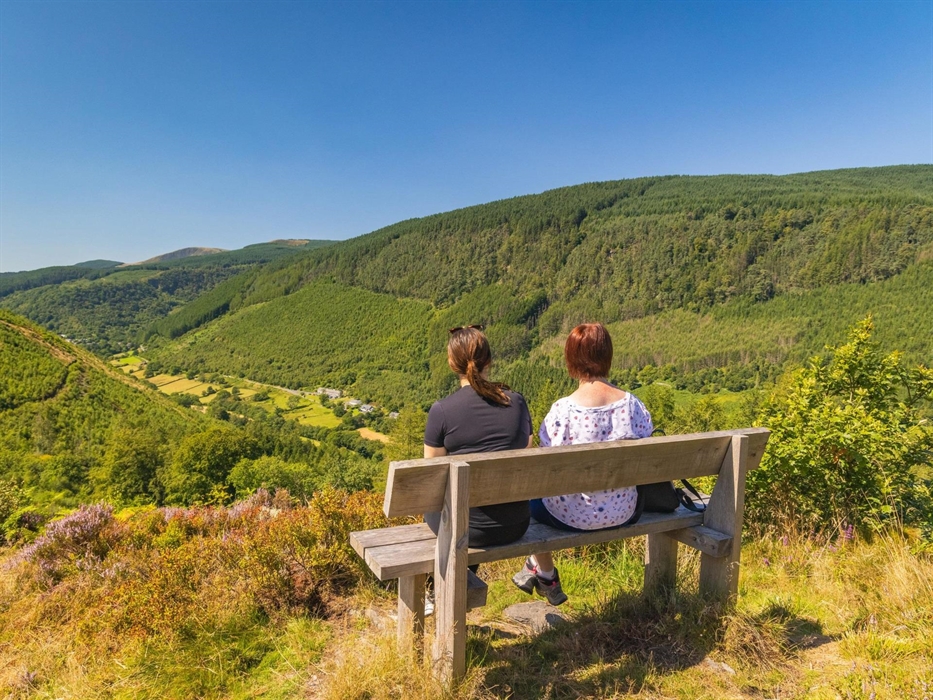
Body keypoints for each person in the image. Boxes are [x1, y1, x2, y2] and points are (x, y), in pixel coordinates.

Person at [512, 322, 653, 606]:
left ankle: (541, 569)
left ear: (571, 360)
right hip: (624, 510)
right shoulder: (633, 405)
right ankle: (536, 569)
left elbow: (542, 465)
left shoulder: (562, 410)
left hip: (569, 517)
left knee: (528, 499)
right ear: (607, 356)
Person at [424, 324, 533, 550]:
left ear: (452, 364)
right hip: (515, 524)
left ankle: (450, 583)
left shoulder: (441, 411)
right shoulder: (516, 402)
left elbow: (433, 476)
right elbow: (526, 453)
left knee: (437, 510)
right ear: (489, 361)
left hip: (465, 528)